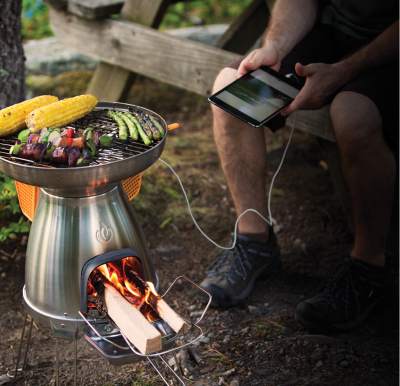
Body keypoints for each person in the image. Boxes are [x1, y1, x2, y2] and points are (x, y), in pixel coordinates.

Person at [196, 0, 399, 333]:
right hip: (332, 31)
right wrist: (273, 47)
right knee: (231, 87)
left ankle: (369, 268)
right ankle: (255, 241)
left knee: (353, 115)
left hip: (390, 49)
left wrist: (344, 72)